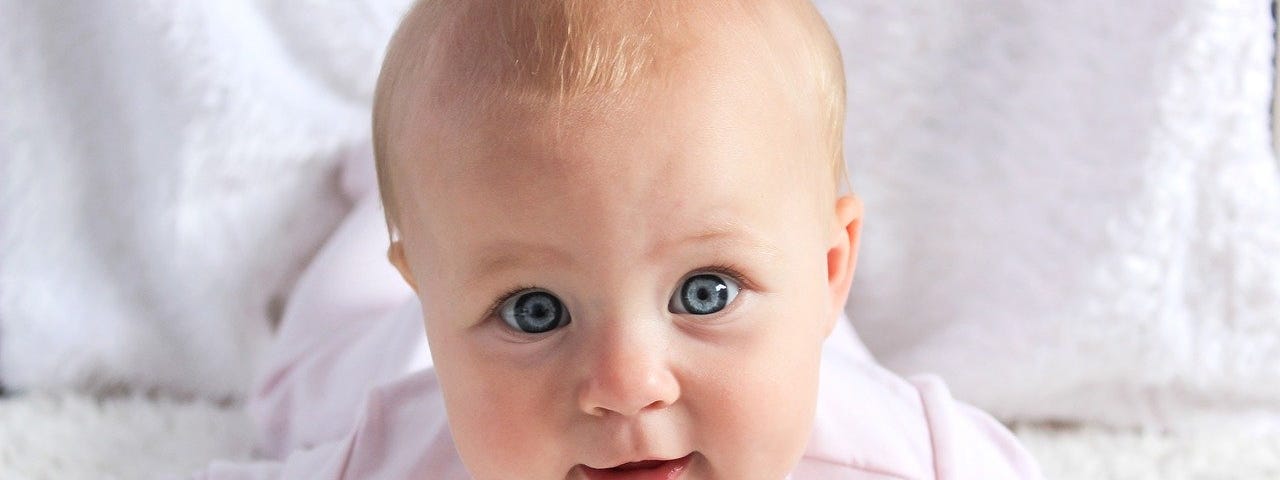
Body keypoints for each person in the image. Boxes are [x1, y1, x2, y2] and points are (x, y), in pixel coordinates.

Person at [193, 0, 1044, 478]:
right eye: (532, 311)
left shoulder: (914, 457)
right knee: (298, 389)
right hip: (384, 351)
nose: (626, 386)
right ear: (431, 298)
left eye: (704, 290)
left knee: (796, 346)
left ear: (835, 269)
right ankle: (374, 195)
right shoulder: (384, 457)